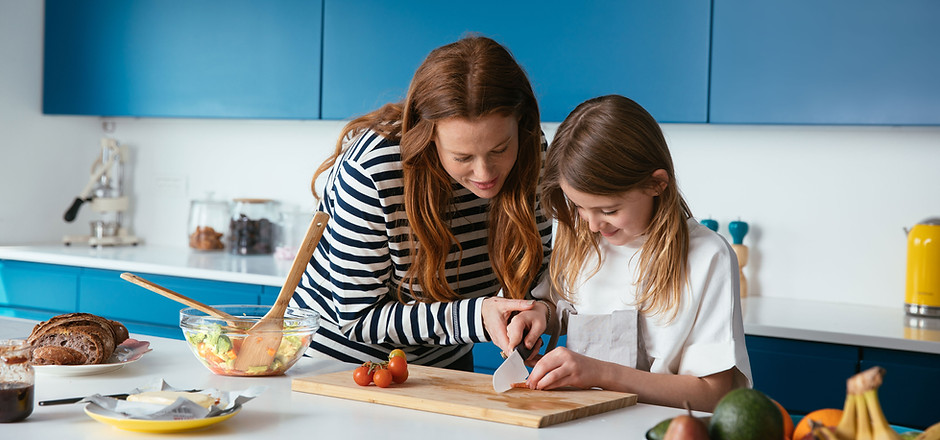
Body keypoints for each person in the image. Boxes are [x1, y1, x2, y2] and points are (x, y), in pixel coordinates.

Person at [291, 35, 553, 371]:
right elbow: (356, 318)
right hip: (343, 367)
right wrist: (478, 316)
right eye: (462, 156)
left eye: (500, 150)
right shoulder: (375, 169)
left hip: (444, 361)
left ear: (522, 125)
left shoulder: (533, 152)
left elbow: (536, 269)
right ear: (428, 136)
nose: (485, 172)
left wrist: (528, 313)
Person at [500, 94, 751, 411]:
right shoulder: (582, 237)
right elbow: (563, 306)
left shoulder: (707, 257)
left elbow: (714, 396)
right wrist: (541, 315)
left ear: (656, 184)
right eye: (579, 207)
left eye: (608, 209)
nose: (591, 225)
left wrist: (600, 373)